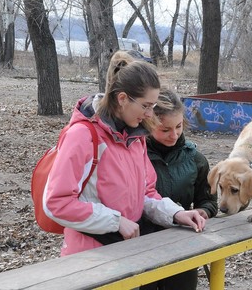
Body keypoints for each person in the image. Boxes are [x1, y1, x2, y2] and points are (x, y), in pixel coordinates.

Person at [44, 50, 206, 256]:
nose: (150, 114)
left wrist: (176, 213)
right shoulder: (83, 136)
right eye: (146, 106)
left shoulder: (136, 138)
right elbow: (56, 203)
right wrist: (116, 221)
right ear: (122, 98)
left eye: (153, 106)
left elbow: (146, 194)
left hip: (127, 251)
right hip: (89, 257)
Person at [141, 88, 218, 290]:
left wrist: (204, 211)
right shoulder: (135, 155)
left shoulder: (196, 159)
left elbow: (209, 200)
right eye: (165, 130)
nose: (174, 135)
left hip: (182, 248)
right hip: (140, 248)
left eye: (178, 126)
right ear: (148, 123)